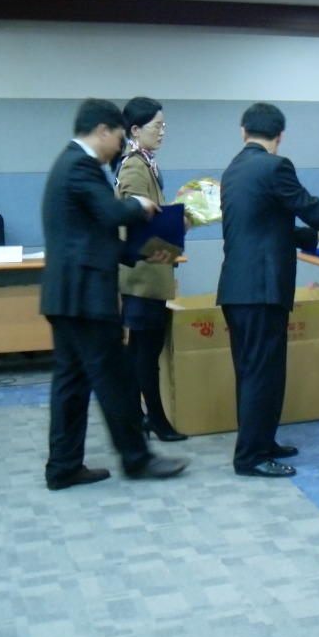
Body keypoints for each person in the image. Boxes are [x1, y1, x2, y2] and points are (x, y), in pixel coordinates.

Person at [41, 98, 189, 490]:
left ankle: (63, 466)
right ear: (103, 130)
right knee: (116, 378)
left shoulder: (69, 164)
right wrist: (140, 204)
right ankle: (137, 459)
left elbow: (94, 235)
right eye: (119, 136)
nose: (120, 146)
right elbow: (111, 213)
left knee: (71, 383)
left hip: (67, 295)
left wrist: (139, 252)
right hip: (86, 296)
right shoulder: (80, 166)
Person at [216, 102, 319, 479]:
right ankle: (251, 456)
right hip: (262, 289)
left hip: (237, 288)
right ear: (280, 136)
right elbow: (306, 205)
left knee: (253, 371)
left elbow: (265, 227)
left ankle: (262, 442)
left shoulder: (233, 169)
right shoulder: (275, 166)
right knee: (262, 373)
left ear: (243, 131)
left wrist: (317, 236)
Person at [113, 97, 186, 442]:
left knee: (140, 351)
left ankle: (135, 417)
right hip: (142, 276)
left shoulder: (146, 162)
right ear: (135, 130)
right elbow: (138, 219)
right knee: (146, 353)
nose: (162, 132)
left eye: (164, 126)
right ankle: (154, 419)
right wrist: (179, 224)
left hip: (148, 273)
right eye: (157, 126)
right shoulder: (134, 166)